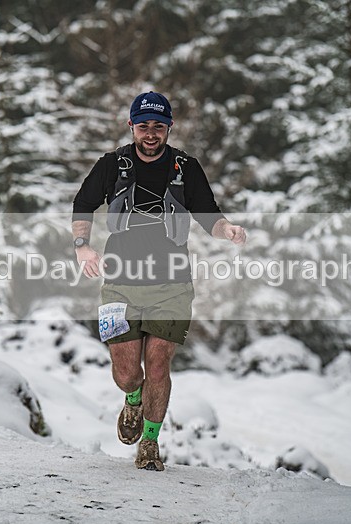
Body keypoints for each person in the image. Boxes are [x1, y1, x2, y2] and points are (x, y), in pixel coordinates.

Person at [71, 91, 246, 471]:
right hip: (119, 282)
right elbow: (83, 203)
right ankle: (131, 399)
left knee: (159, 364)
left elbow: (207, 214)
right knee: (126, 372)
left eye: (159, 126)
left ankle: (150, 443)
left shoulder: (186, 167)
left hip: (173, 284)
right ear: (131, 126)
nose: (151, 133)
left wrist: (226, 229)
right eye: (144, 125)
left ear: (169, 128)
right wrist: (82, 247)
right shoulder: (111, 165)